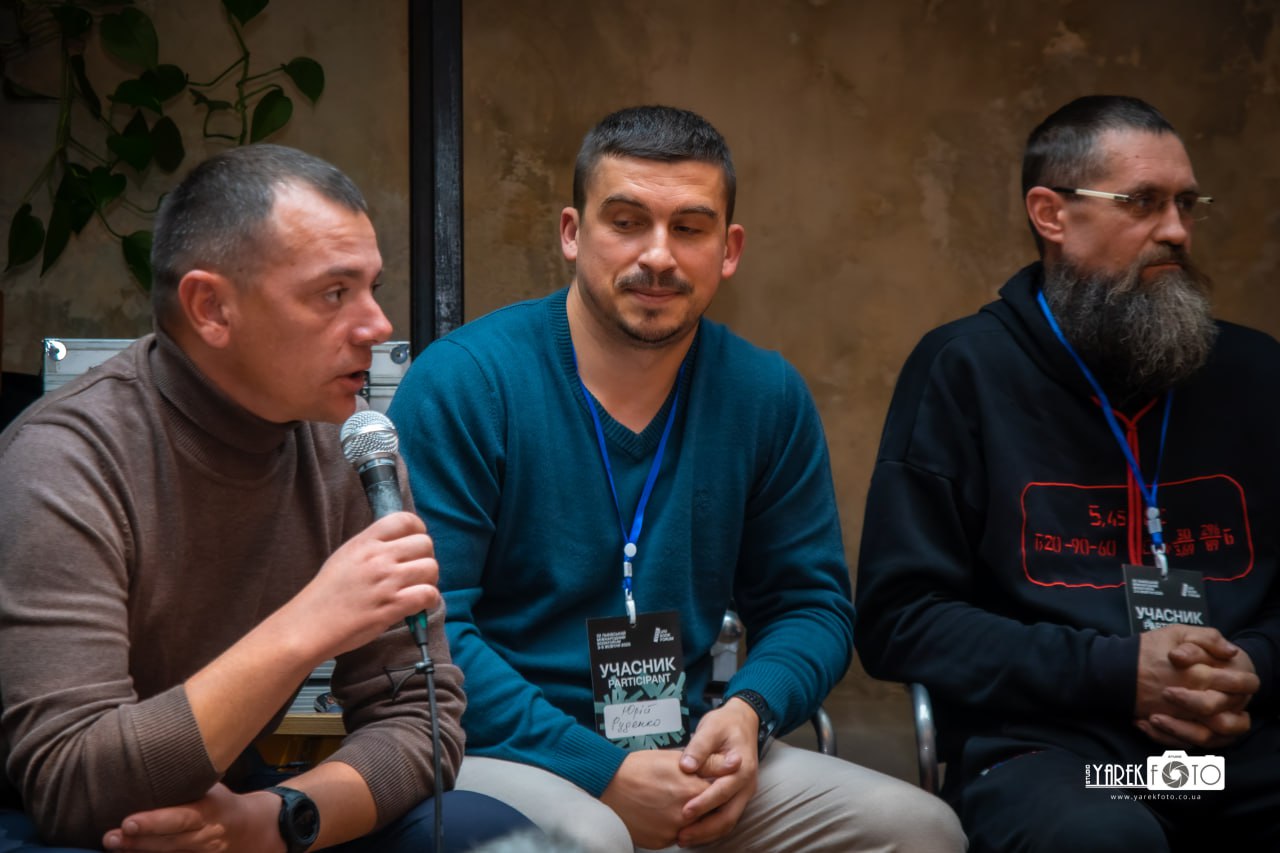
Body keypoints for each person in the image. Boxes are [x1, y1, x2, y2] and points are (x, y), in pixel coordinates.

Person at [387, 105, 964, 852]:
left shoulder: (763, 395)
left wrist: (749, 712)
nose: (658, 255)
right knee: (594, 837)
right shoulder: (467, 383)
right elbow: (428, 632)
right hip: (498, 749)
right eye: (626, 222)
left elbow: (811, 605)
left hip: (684, 746)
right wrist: (602, 769)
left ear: (729, 250)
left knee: (919, 829)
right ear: (572, 233)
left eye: (689, 228)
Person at [0, 145, 537, 852]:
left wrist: (281, 818)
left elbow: (421, 720)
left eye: (372, 288)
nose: (378, 326)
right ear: (212, 308)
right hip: (58, 826)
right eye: (334, 293)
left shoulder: (352, 444)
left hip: (239, 801)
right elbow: (71, 785)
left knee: (484, 831)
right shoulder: (65, 458)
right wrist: (305, 626)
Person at [855, 94, 1280, 852]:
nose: (1176, 231)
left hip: (1237, 746)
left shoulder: (1255, 372)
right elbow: (902, 619)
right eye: (1143, 203)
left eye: (1186, 204)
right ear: (1050, 214)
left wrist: (1253, 663)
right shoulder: (965, 370)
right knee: (1101, 836)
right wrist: (1118, 671)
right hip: (1062, 754)